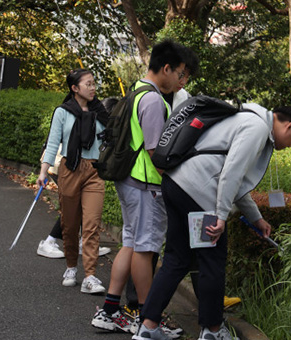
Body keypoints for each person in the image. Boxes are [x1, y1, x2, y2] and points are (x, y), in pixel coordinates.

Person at [133, 104, 291, 340]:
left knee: (177, 260)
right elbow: (231, 174)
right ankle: (213, 330)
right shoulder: (257, 128)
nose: (290, 145)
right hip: (200, 195)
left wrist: (256, 218)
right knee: (212, 263)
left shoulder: (245, 119)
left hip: (176, 185)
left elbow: (234, 180)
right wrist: (221, 215)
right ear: (290, 126)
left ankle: (148, 326)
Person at [91, 40, 198, 333]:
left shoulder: (138, 92)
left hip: (130, 181)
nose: (183, 81)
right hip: (145, 184)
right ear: (166, 68)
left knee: (130, 243)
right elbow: (156, 153)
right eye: (181, 73)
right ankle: (147, 319)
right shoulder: (153, 100)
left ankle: (111, 310)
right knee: (145, 248)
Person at [37, 68, 108, 294]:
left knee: (92, 225)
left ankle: (90, 275)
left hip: (95, 171)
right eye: (88, 84)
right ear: (75, 88)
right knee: (69, 225)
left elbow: (112, 139)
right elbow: (52, 144)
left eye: (94, 83)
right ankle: (70, 267)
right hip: (70, 169)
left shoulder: (101, 113)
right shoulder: (63, 112)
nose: (93, 87)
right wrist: (43, 172)